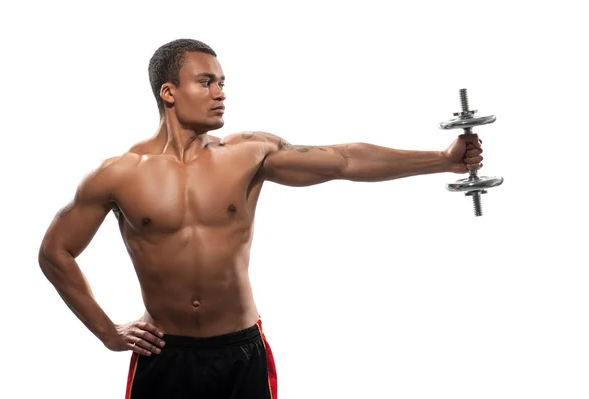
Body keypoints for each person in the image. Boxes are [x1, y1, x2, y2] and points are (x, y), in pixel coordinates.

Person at [38, 38, 484, 399]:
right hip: (165, 356)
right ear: (168, 92)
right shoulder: (119, 173)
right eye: (206, 82)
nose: (221, 93)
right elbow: (56, 252)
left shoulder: (247, 155)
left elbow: (344, 160)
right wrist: (107, 331)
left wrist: (442, 160)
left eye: (223, 83)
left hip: (239, 353)